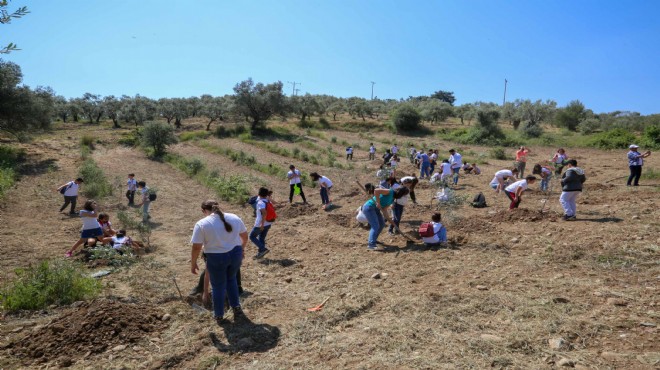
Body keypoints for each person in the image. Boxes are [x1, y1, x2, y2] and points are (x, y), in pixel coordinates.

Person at [191, 200, 248, 324]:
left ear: (204, 211)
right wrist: (241, 249)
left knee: (218, 286)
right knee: (231, 279)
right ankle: (236, 307)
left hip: (216, 257)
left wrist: (193, 262)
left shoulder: (202, 224)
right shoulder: (234, 217)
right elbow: (244, 236)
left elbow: (196, 247)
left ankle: (218, 315)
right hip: (235, 254)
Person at [362, 186, 409, 250]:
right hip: (369, 207)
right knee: (375, 226)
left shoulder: (392, 199)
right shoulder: (390, 192)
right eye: (404, 195)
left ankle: (374, 240)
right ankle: (371, 245)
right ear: (401, 193)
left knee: (382, 224)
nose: (403, 196)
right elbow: (376, 191)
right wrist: (378, 202)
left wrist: (389, 220)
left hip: (376, 209)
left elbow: (384, 210)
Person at [250, 187, 273, 259]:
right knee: (261, 238)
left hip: (260, 224)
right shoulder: (267, 201)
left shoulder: (260, 202)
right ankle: (261, 253)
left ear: (259, 194)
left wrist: (262, 224)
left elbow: (264, 213)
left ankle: (263, 249)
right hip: (268, 223)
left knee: (252, 236)